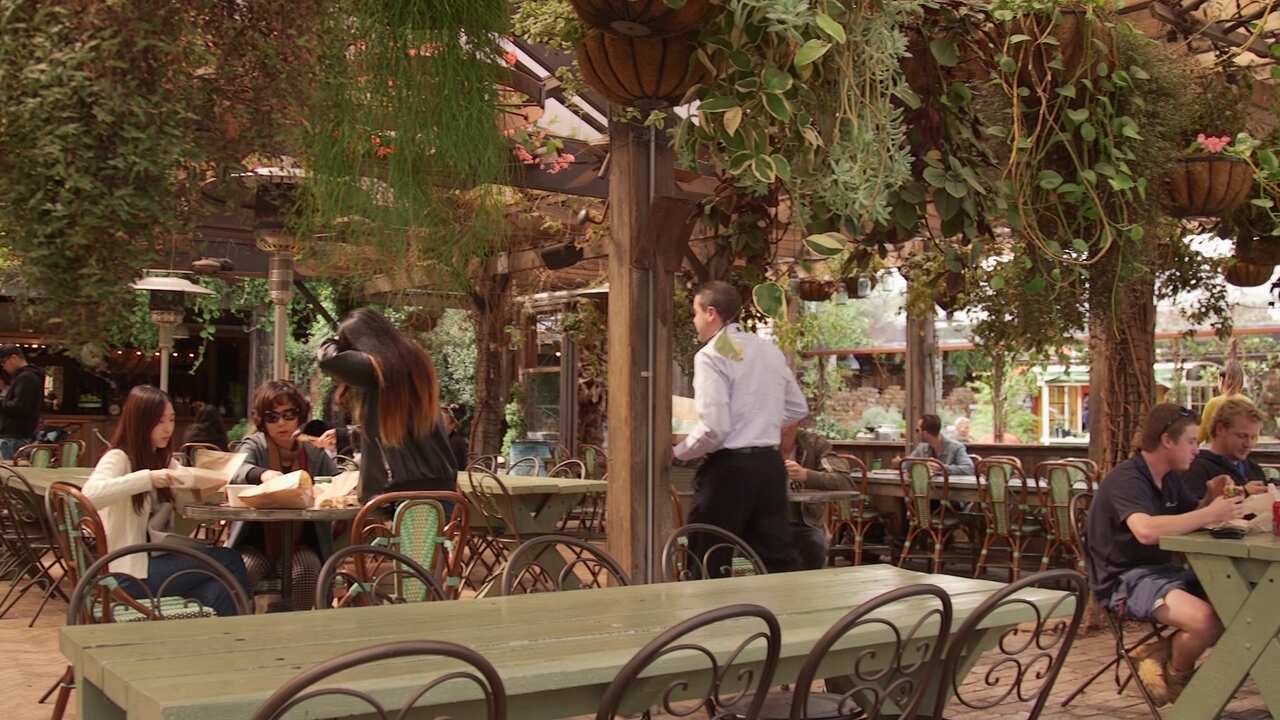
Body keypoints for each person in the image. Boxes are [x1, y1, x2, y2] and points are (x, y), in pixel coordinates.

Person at [1086, 403, 1247, 706]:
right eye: (1191, 441)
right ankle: (1178, 679)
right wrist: (1210, 513)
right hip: (1123, 579)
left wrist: (1210, 497)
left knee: (1240, 606)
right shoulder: (1128, 479)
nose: (1197, 450)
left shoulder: (1170, 477)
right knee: (1205, 620)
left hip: (1163, 574)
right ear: (1167, 440)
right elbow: (1145, 530)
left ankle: (1154, 657)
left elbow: (1191, 517)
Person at [81, 385, 251, 616]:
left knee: (217, 590)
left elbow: (185, 481)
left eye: (171, 420)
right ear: (140, 422)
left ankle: (221, 635)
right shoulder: (119, 457)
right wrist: (148, 478)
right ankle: (247, 627)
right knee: (228, 559)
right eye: (159, 421)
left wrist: (207, 488)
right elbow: (89, 495)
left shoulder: (161, 458)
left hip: (155, 561)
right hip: (127, 572)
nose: (168, 428)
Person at [673, 281, 807, 574]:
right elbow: (798, 408)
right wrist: (762, 422)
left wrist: (678, 452)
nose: (694, 321)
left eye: (695, 313)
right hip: (770, 467)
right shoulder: (768, 350)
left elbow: (714, 428)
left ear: (711, 313)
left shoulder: (711, 355)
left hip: (730, 472)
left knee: (707, 559)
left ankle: (708, 607)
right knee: (777, 561)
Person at [315, 308, 458, 501]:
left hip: (398, 495)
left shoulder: (377, 368)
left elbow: (329, 360)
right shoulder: (416, 359)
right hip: (441, 490)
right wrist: (348, 435)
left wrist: (336, 340)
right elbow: (405, 429)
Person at [230, 381, 338, 609]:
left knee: (307, 570)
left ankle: (294, 626)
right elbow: (235, 469)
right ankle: (240, 627)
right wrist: (263, 474)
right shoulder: (256, 445)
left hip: (300, 545)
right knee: (239, 573)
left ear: (300, 416)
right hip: (255, 545)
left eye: (289, 415)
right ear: (262, 421)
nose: (281, 423)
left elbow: (337, 482)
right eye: (272, 417)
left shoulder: (313, 452)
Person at [781, 422, 851, 570]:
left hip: (804, 523)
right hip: (765, 521)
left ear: (798, 421)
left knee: (815, 544)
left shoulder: (814, 444)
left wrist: (806, 475)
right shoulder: (758, 445)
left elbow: (844, 481)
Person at [1175, 397, 1269, 502]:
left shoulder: (1254, 469)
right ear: (1220, 429)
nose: (1248, 444)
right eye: (1242, 436)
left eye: (1254, 437)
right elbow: (1195, 509)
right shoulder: (1196, 469)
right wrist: (1243, 492)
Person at [1198, 341, 1249, 445]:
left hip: (1216, 452)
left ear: (1221, 380)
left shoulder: (1213, 403)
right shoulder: (1248, 403)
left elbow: (1200, 436)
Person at [0, 345, 45, 460]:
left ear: (14, 358)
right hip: (18, 434)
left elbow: (20, 407)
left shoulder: (26, 378)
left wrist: (1, 403)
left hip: (15, 436)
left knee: (10, 470)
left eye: (3, 362)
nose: (3, 366)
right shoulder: (28, 376)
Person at [902, 414, 974, 476]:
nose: (916, 433)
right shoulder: (922, 447)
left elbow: (969, 469)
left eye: (917, 430)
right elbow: (906, 465)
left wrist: (942, 468)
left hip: (951, 487)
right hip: (928, 487)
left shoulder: (956, 447)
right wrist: (900, 463)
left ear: (925, 433)